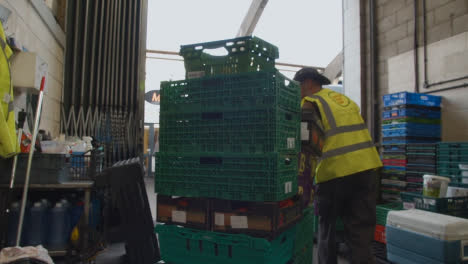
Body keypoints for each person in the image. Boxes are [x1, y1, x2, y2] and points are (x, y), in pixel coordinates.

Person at [294, 68, 383, 264]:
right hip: (366, 168)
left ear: (308, 83)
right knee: (360, 230)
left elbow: (305, 143)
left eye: (298, 86)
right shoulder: (344, 100)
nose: (297, 91)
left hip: (335, 172)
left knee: (327, 230)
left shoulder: (310, 102)